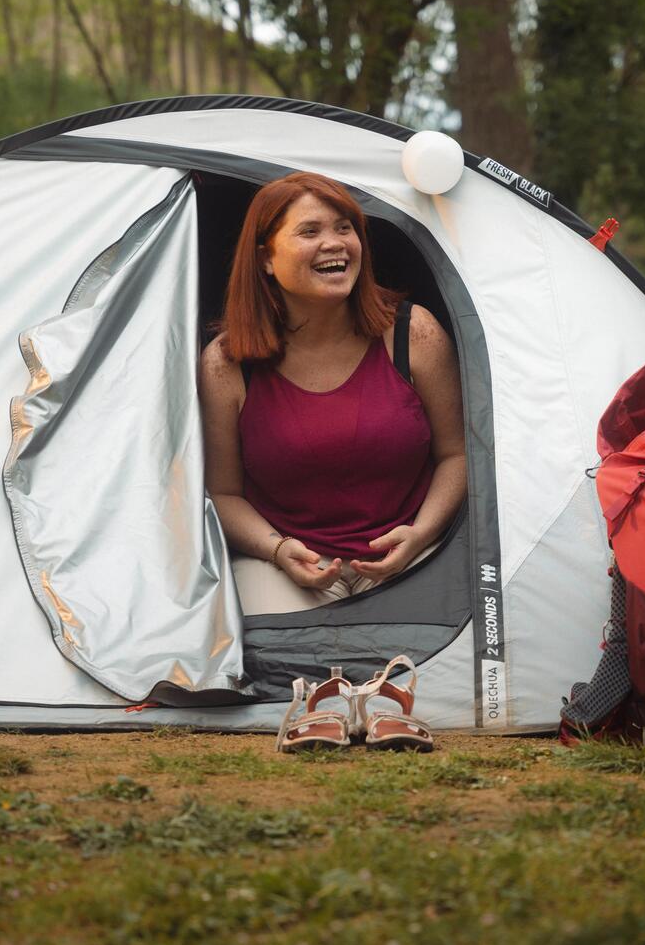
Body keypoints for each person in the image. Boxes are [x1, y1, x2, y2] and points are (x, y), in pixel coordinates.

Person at [198, 171, 466, 616]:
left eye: (345, 228)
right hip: (286, 563)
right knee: (279, 667)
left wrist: (420, 534)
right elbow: (222, 493)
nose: (335, 243)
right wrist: (278, 549)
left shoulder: (413, 333)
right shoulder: (225, 363)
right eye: (310, 231)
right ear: (266, 258)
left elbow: (458, 455)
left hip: (414, 552)